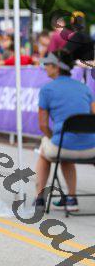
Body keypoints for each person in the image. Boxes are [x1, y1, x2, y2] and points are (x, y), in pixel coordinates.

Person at [35, 50, 95, 211]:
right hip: (92, 148)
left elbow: (43, 125)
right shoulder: (84, 88)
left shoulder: (47, 89)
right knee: (65, 148)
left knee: (45, 150)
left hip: (64, 147)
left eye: (47, 64)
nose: (45, 67)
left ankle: (39, 199)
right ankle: (71, 199)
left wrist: (52, 137)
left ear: (56, 67)